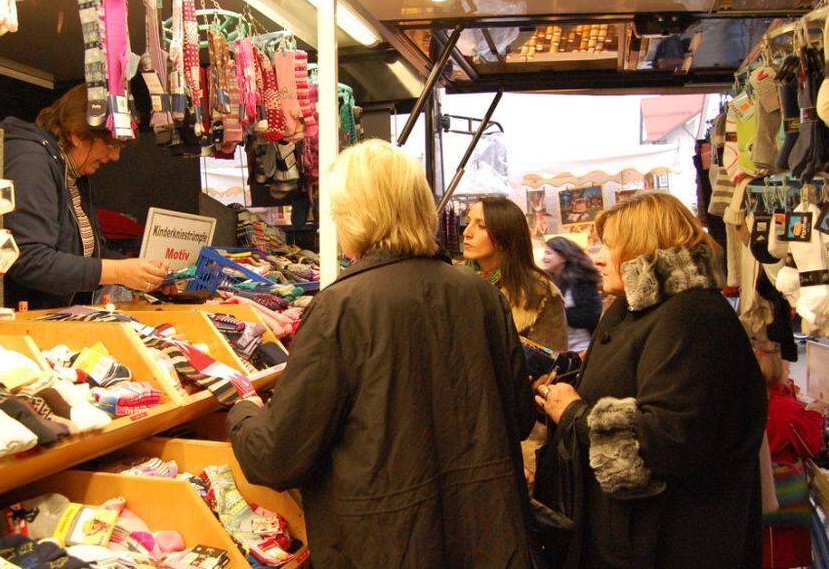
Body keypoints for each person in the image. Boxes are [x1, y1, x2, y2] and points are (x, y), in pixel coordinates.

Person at [226, 140, 536, 567]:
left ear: (356, 213)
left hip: (381, 543)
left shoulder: (342, 308)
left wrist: (242, 411)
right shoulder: (481, 294)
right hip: (487, 540)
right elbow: (517, 418)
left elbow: (278, 455)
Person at [534, 191, 767, 568]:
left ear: (641, 246)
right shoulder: (635, 311)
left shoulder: (692, 318)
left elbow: (671, 437)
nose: (598, 257)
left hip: (674, 542)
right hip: (630, 535)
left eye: (608, 245)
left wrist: (574, 413)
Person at [1, 84, 168, 309]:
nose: (115, 156)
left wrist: (140, 271)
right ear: (78, 134)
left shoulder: (73, 171)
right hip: (23, 321)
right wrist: (118, 272)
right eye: (111, 145)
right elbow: (29, 260)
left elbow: (87, 252)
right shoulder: (31, 162)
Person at [463, 197, 569, 351]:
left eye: (481, 226)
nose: (467, 232)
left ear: (504, 235)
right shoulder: (452, 280)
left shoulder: (539, 293)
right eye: (468, 222)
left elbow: (551, 362)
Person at [755, 346, 824, 569]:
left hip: (753, 494)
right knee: (781, 554)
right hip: (782, 499)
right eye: (787, 365)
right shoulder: (787, 409)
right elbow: (811, 444)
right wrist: (815, 413)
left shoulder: (750, 401)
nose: (790, 367)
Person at [541, 237, 602, 352]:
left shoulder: (581, 280)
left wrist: (558, 313)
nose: (544, 258)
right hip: (561, 350)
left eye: (548, 253)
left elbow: (591, 315)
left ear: (563, 256)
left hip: (583, 349)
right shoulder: (547, 283)